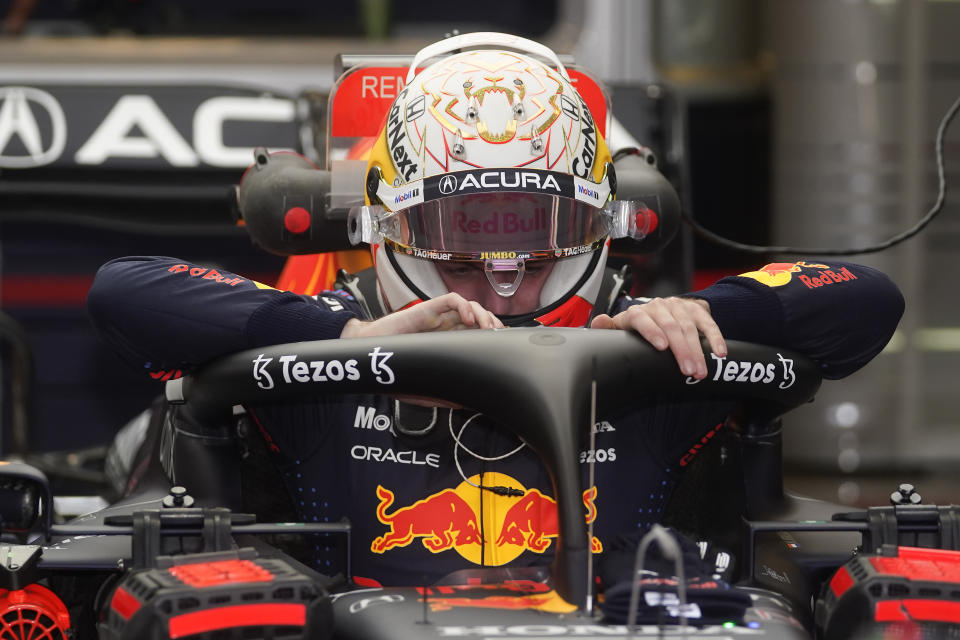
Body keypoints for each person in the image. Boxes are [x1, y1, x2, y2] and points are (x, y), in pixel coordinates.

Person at [86, 40, 904, 588]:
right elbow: (126, 289)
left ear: (602, 223)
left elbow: (865, 299)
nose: (503, 280)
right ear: (386, 223)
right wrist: (352, 342)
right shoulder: (329, 329)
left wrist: (700, 311)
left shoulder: (659, 344)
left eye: (541, 237)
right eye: (461, 237)